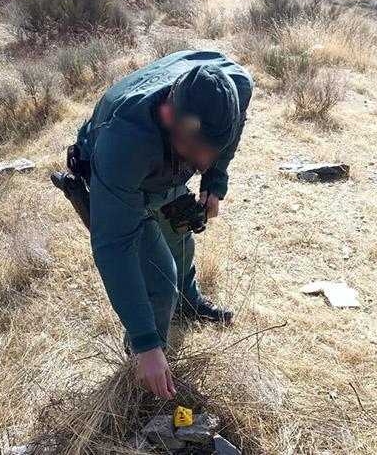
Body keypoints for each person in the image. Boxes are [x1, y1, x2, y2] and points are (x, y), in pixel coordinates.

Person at [52, 50, 252, 399]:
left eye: (211, 151)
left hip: (165, 168)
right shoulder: (125, 142)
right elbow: (115, 245)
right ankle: (142, 370)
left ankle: (188, 304)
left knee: (180, 238)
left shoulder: (235, 87)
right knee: (160, 282)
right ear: (169, 115)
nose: (203, 161)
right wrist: (146, 343)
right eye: (196, 148)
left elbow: (228, 136)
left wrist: (214, 183)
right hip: (127, 181)